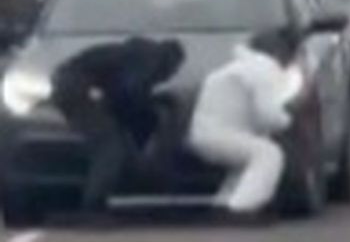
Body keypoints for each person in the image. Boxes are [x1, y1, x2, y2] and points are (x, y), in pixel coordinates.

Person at [51, 37, 186, 214]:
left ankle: (100, 195)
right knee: (109, 146)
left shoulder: (136, 55)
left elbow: (119, 93)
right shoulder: (150, 59)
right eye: (175, 70)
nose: (171, 76)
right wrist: (152, 109)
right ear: (171, 60)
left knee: (114, 139)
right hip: (74, 88)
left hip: (70, 83)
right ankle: (93, 204)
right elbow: (127, 92)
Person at [187, 28, 298, 217]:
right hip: (219, 135)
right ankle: (242, 209)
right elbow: (267, 114)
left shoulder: (236, 67)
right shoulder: (265, 68)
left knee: (246, 163)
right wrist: (288, 121)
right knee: (269, 154)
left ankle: (223, 205)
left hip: (205, 132)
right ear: (280, 52)